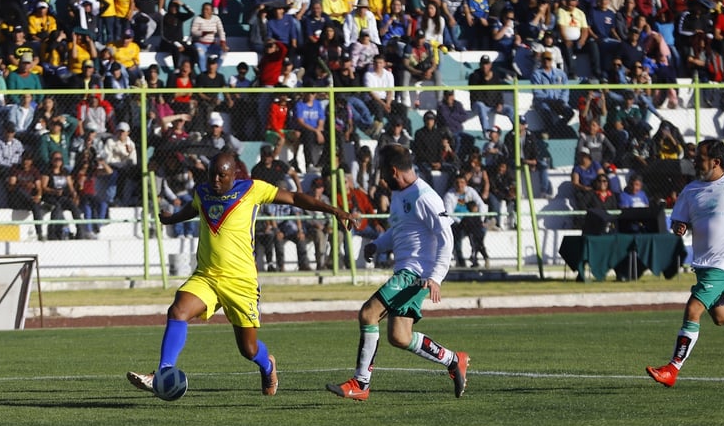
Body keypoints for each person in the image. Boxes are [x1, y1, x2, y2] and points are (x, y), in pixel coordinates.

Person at [127, 151, 355, 397]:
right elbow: (193, 208)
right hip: (207, 276)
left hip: (241, 283)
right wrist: (172, 219)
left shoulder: (252, 189)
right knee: (178, 310)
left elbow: (294, 197)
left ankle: (268, 365)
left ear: (234, 175)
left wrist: (334, 211)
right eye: (212, 174)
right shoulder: (202, 191)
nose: (215, 180)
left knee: (248, 349)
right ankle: (162, 372)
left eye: (221, 176)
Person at [326, 143, 470, 401]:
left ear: (394, 171)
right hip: (407, 272)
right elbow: (400, 229)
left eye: (382, 172)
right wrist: (378, 244)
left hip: (415, 275)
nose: (380, 178)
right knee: (399, 337)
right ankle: (453, 359)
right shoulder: (401, 195)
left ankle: (361, 383)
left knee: (368, 314)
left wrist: (436, 277)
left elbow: (446, 236)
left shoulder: (425, 196)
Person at [646, 139, 724, 388]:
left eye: (699, 157)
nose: (694, 161)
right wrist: (679, 226)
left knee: (693, 309)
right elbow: (678, 221)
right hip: (703, 264)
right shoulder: (690, 190)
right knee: (722, 316)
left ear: (715, 161)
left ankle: (672, 369)